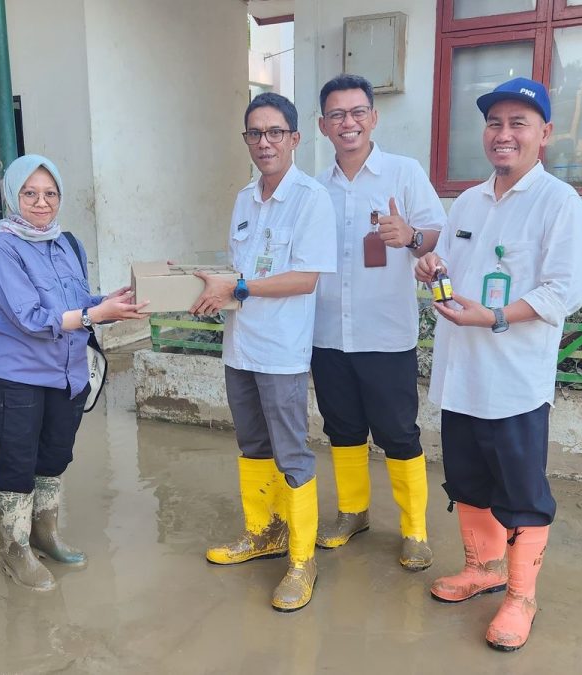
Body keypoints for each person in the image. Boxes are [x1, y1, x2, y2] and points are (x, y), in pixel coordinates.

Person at [415, 77, 582, 651]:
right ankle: (483, 568)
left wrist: (494, 318)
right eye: (495, 123)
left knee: (521, 492)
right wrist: (431, 265)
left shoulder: (558, 203)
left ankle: (521, 595)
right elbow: (455, 266)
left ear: (545, 133)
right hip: (462, 372)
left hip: (514, 379)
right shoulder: (467, 201)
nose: (504, 134)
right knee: (468, 481)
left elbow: (563, 292)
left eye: (519, 123)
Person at [0, 154, 148, 592]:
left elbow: (74, 301)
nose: (41, 203)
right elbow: (31, 318)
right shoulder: (2, 246)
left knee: (54, 455)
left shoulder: (67, 242)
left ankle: (46, 534)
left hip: (67, 373)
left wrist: (107, 301)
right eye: (30, 193)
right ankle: (16, 550)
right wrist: (96, 314)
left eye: (50, 193)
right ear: (13, 196)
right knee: (17, 461)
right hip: (17, 377)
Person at [193, 92, 336, 612]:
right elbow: (238, 273)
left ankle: (302, 559)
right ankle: (263, 532)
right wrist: (210, 288)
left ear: (295, 138)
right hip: (241, 346)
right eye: (255, 133)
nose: (264, 142)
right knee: (252, 445)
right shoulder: (244, 197)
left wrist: (241, 288)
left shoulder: (311, 199)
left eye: (275, 132)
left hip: (281, 352)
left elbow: (305, 278)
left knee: (291, 452)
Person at [311, 74, 447, 570]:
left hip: (385, 333)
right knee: (342, 428)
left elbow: (436, 233)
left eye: (357, 113)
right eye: (337, 115)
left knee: (398, 433)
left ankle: (414, 530)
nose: (348, 123)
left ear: (373, 117)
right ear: (323, 125)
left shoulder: (403, 173)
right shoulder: (314, 187)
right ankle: (353, 513)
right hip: (327, 333)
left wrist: (411, 236)